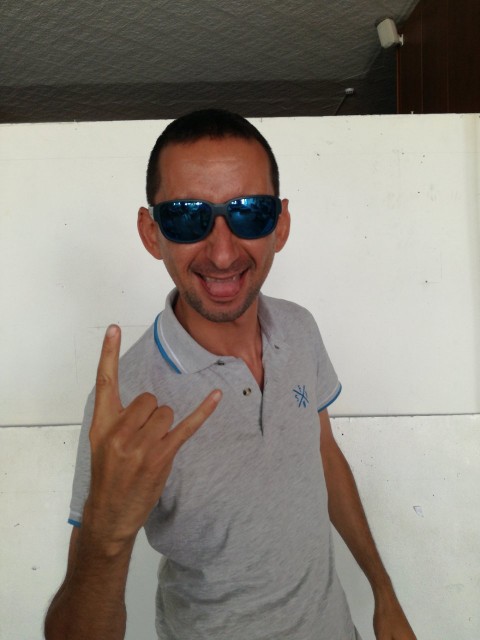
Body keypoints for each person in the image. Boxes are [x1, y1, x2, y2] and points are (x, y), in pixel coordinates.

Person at [44, 109, 415, 640]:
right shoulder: (124, 401)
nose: (222, 254)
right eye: (187, 217)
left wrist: (385, 594)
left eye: (249, 213)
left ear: (280, 224)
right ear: (151, 233)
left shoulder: (299, 328)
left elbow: (323, 452)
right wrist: (105, 536)